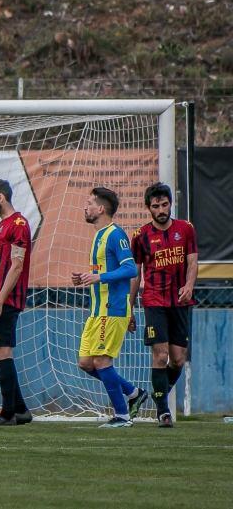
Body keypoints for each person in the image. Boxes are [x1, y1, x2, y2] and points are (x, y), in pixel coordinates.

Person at [73, 187, 148, 428]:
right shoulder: (98, 235)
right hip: (97, 311)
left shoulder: (116, 235)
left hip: (113, 309)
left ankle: (122, 416)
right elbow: (103, 272)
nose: (85, 207)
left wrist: (100, 277)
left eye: (89, 203)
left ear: (101, 209)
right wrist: (86, 277)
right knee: (86, 363)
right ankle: (134, 393)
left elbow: (130, 269)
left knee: (103, 363)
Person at [130, 182, 198, 427]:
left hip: (180, 301)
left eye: (165, 204)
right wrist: (130, 308)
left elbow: (192, 262)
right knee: (160, 356)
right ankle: (163, 412)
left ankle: (157, 394)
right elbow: (135, 274)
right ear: (149, 208)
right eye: (156, 206)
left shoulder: (186, 229)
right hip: (154, 302)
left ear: (171, 204)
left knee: (178, 359)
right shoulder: (140, 237)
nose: (161, 209)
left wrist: (189, 285)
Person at [0, 179, 33, 426]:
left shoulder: (19, 224)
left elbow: (17, 265)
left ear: (1, 197)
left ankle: (8, 412)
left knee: (2, 351)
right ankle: (21, 410)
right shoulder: (2, 226)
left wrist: (0, 301)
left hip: (7, 298)